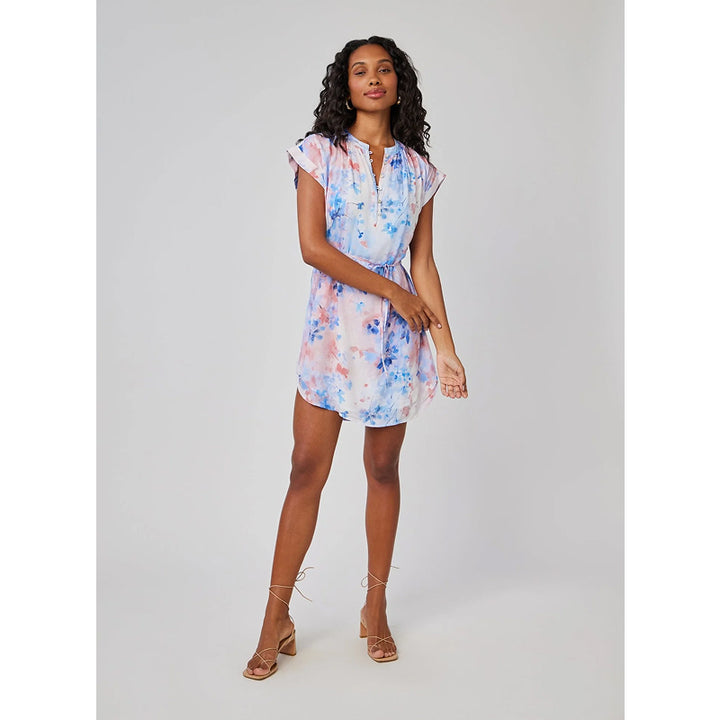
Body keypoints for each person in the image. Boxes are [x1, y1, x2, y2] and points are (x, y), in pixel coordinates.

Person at [243, 35, 468, 680]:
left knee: (383, 469)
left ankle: (375, 608)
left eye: (384, 69)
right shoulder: (318, 153)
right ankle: (275, 619)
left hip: (396, 343)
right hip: (331, 334)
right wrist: (392, 291)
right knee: (304, 471)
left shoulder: (419, 171)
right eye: (359, 70)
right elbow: (312, 247)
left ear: (399, 84)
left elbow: (424, 264)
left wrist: (447, 349)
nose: (373, 78)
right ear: (344, 86)